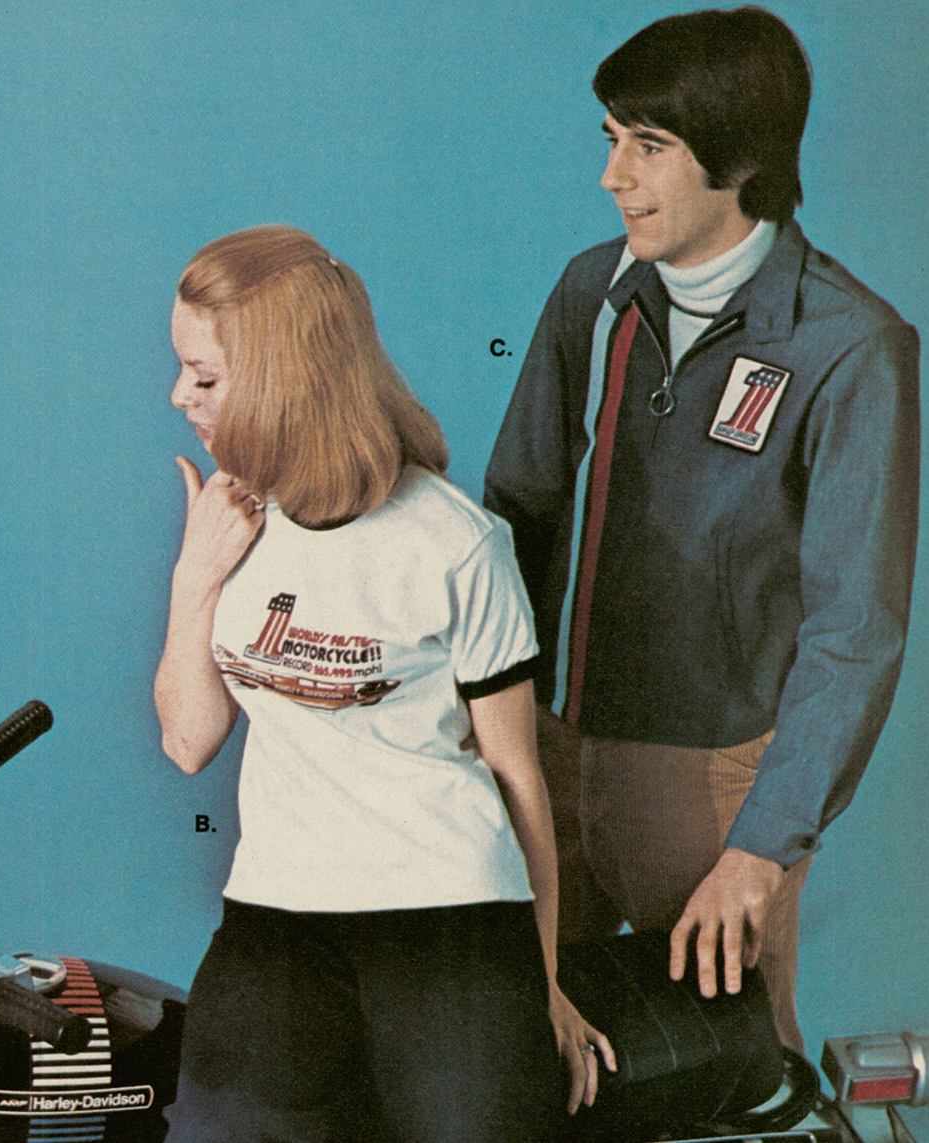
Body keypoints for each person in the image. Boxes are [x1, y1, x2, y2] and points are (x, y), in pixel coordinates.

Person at [483, 6, 919, 1053]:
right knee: (522, 1066)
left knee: (725, 1079)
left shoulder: (850, 347)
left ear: (740, 155)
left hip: (714, 789)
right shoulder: (594, 293)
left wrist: (759, 848)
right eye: (609, 140)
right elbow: (517, 511)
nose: (613, 178)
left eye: (649, 147)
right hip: (548, 754)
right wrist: (489, 724)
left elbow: (852, 628)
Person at [154, 225, 614, 1143]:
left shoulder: (455, 542)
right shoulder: (234, 519)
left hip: (448, 914)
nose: (179, 396)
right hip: (279, 910)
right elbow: (188, 740)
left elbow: (519, 777)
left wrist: (543, 978)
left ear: (288, 374)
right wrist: (194, 576)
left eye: (205, 377)